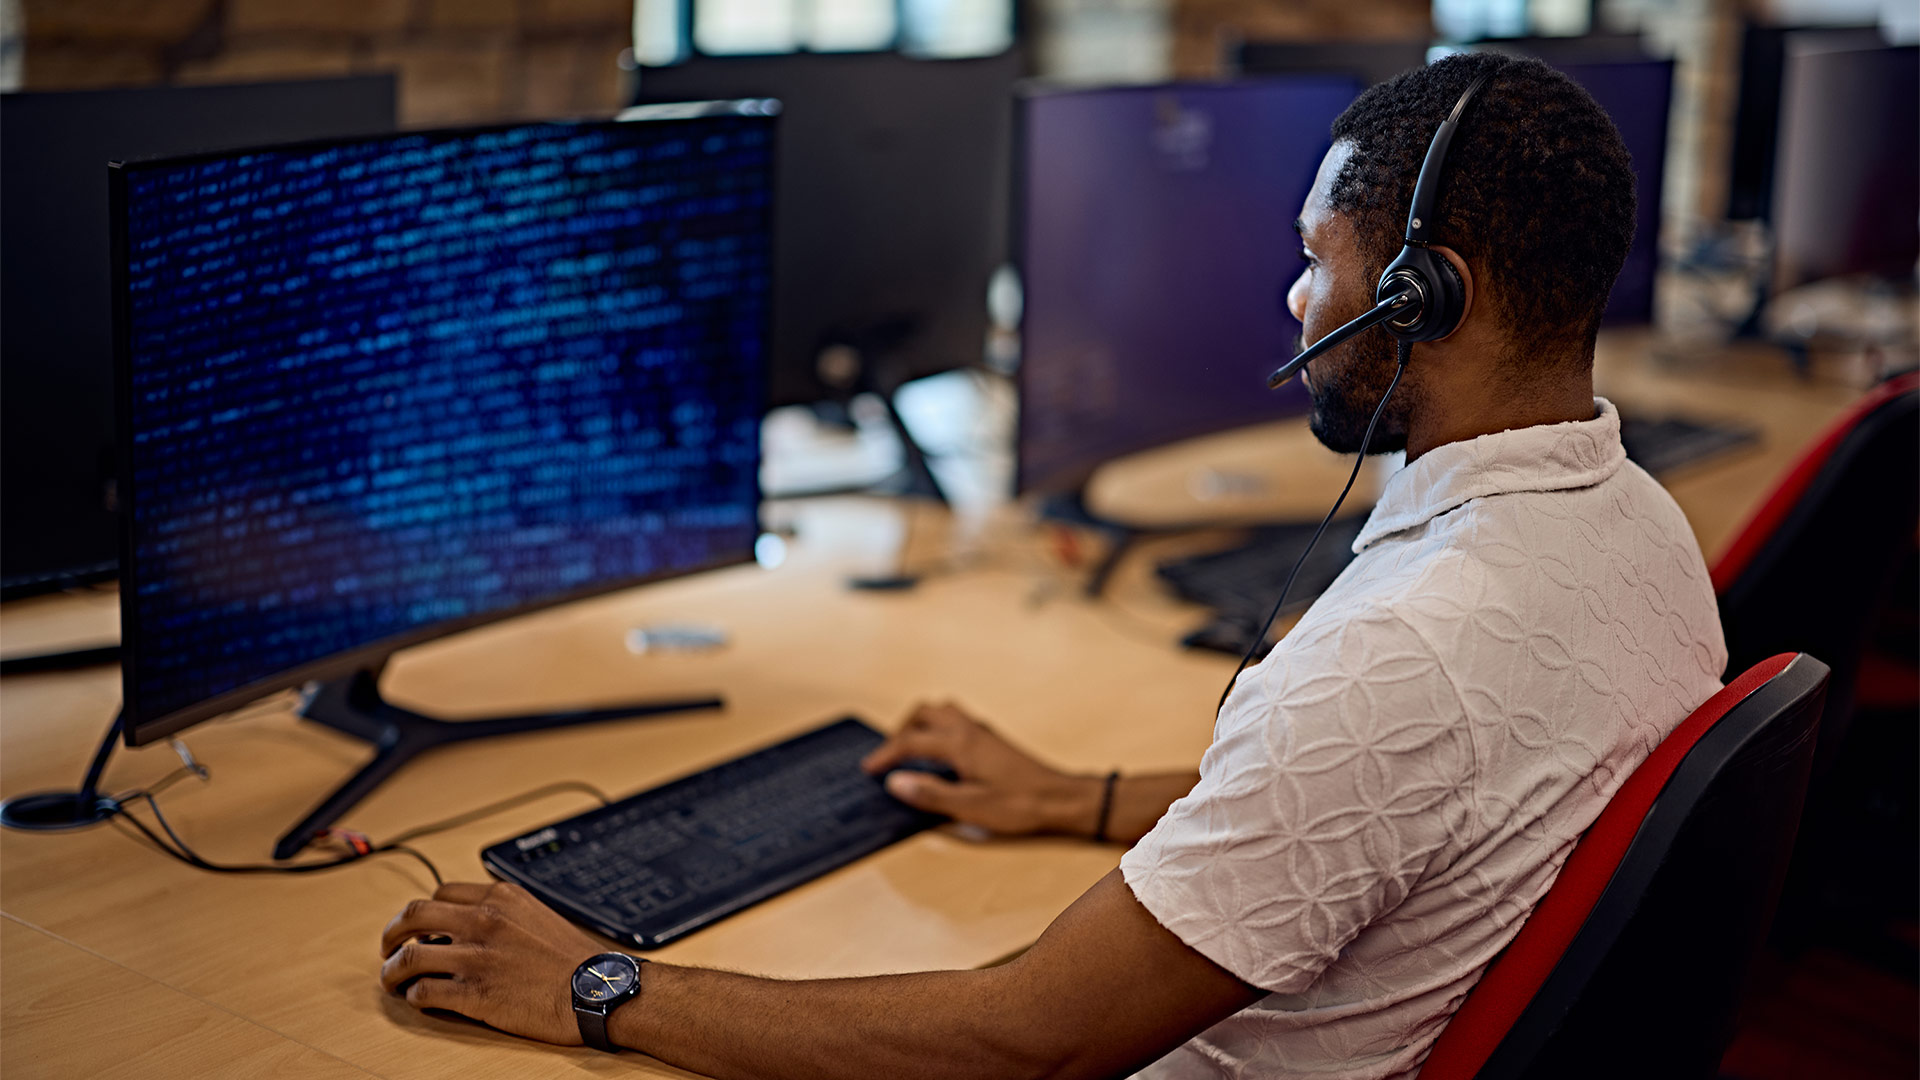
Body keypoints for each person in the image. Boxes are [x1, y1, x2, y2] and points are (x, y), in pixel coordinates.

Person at [377, 52, 1727, 1078]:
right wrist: (1075, 797)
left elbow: (1028, 1040)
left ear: (1426, 291)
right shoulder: (1638, 527)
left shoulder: (1399, 660)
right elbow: (1397, 801)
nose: (1293, 303)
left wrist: (602, 987)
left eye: (1318, 262)